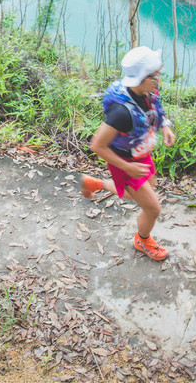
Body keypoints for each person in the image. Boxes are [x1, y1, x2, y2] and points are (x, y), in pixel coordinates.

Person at [81, 46, 175, 261]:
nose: (158, 80)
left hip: (141, 155)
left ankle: (97, 184)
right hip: (125, 162)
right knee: (152, 209)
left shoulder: (147, 92)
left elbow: (156, 109)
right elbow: (97, 145)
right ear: (140, 79)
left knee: (146, 192)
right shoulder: (121, 112)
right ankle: (142, 240)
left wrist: (165, 125)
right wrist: (128, 168)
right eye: (155, 76)